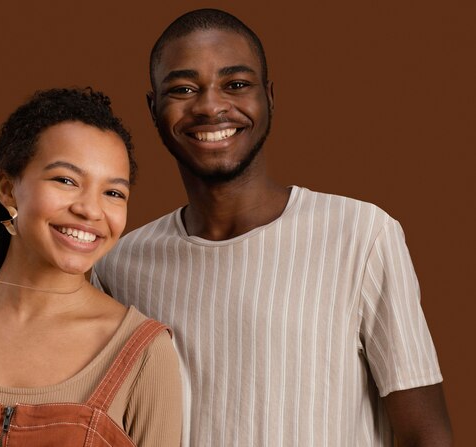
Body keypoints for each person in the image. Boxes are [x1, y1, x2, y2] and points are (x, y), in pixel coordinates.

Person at [92, 9, 452, 446]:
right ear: (153, 108)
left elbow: (425, 434)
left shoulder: (362, 235)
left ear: (269, 96)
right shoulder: (118, 265)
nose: (210, 106)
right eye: (184, 89)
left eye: (236, 85)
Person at [0, 88, 182, 447]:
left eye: (113, 193)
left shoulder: (145, 353)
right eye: (66, 180)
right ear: (8, 189)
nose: (90, 210)